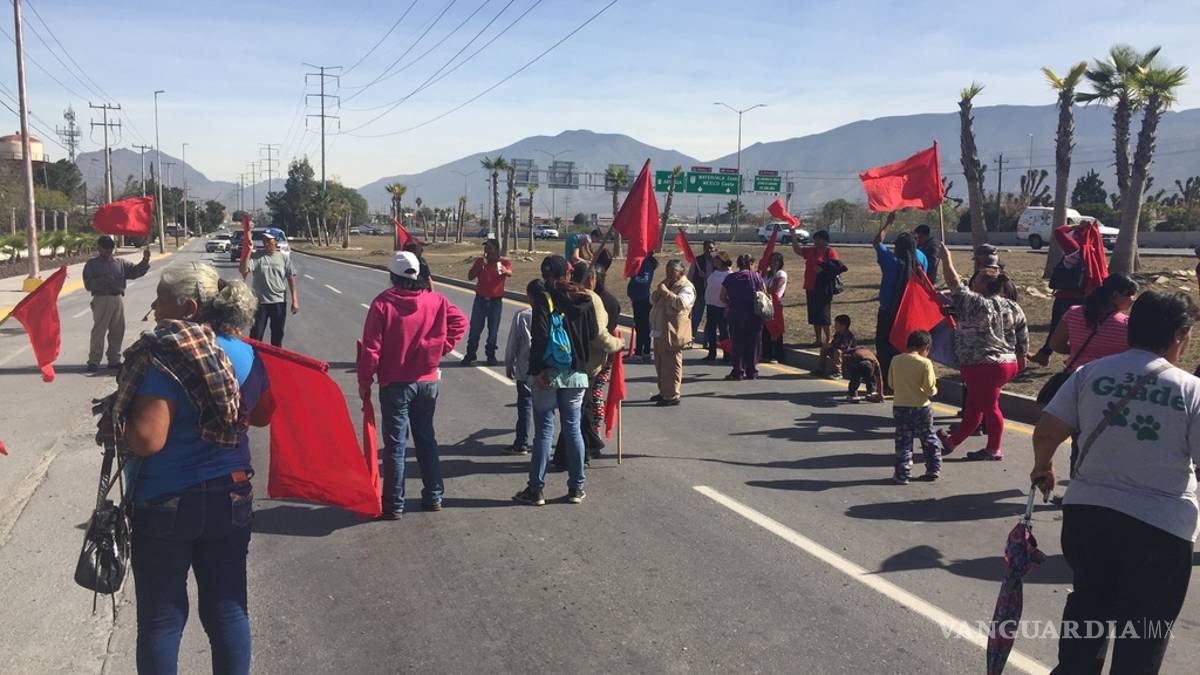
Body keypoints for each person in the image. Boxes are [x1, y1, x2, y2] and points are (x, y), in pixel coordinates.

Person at [1031, 291, 1199, 675]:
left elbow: (1046, 431)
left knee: (1088, 607)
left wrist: (1044, 467)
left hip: (1089, 515)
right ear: (1179, 336)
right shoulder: (1190, 389)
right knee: (1144, 633)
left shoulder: (1090, 373)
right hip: (1161, 526)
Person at [121, 262, 271, 674]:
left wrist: (122, 422)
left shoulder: (162, 356)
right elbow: (263, 415)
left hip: (165, 501)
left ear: (188, 307)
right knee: (227, 611)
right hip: (231, 497)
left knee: (162, 620)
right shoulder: (243, 352)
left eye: (160, 299)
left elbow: (149, 440)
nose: (153, 306)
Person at [358, 251, 467, 519]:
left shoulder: (383, 303)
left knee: (395, 446)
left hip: (394, 383)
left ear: (393, 276)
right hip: (427, 381)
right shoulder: (436, 300)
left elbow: (371, 349)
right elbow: (460, 322)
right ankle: (434, 495)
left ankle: (394, 503)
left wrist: (365, 382)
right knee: (426, 439)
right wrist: (440, 348)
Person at [514, 255, 598, 506]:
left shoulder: (544, 299)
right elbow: (593, 334)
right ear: (568, 274)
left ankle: (536, 489)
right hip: (576, 374)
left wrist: (536, 370)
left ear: (544, 275)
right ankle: (576, 487)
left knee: (544, 433)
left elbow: (539, 337)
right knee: (573, 429)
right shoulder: (585, 299)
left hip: (547, 373)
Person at [936, 242, 1028, 461]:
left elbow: (954, 283)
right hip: (1007, 362)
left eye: (976, 279)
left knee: (990, 407)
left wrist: (946, 258)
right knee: (974, 406)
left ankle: (994, 449)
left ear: (984, 285)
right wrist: (1022, 356)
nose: (972, 281)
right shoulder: (1011, 305)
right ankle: (952, 441)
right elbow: (1022, 331)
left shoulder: (975, 302)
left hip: (982, 364)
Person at [1047, 273, 1138, 477]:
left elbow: (1055, 344)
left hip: (1076, 381)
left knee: (1079, 437)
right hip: (1109, 387)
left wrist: (1078, 352)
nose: (1133, 300)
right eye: (1131, 295)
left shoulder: (1074, 313)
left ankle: (1076, 483)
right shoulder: (1126, 325)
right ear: (1116, 295)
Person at [553, 262, 623, 466]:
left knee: (576, 410)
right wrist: (618, 344)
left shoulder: (561, 294)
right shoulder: (591, 299)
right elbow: (599, 335)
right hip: (587, 362)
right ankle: (579, 454)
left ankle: (574, 453)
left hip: (562, 360)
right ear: (591, 279)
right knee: (579, 412)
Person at [1029, 219, 1107, 365]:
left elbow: (1059, 232)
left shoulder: (1076, 250)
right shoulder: (1095, 251)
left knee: (1058, 327)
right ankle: (1047, 354)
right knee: (1082, 329)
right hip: (1086, 296)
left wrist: (1075, 226)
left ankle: (1049, 354)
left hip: (1067, 296)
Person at [872, 214, 929, 383]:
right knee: (905, 348)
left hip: (888, 311)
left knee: (884, 348)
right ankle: (904, 382)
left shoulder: (891, 259)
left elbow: (877, 242)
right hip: (909, 311)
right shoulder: (921, 258)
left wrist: (888, 223)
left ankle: (885, 383)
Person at [82, 235, 151, 371]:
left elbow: (136, 272)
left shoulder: (120, 263)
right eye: (105, 248)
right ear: (99, 248)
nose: (108, 251)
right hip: (101, 299)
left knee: (117, 330)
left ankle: (114, 360)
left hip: (117, 298)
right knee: (99, 331)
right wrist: (102, 281)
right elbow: (88, 284)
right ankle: (94, 361)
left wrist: (145, 260)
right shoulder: (92, 265)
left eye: (111, 248)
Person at [888, 330, 943, 484]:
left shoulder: (895, 360)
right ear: (925, 347)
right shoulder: (925, 363)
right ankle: (933, 468)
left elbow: (891, 384)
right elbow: (930, 389)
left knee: (903, 441)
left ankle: (902, 473)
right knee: (928, 439)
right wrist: (934, 390)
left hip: (900, 406)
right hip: (921, 407)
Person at [649, 259, 696, 406]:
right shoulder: (667, 284)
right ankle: (664, 391)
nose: (668, 274)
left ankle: (672, 395)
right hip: (660, 329)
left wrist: (667, 293)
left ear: (681, 273)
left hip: (673, 332)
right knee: (661, 364)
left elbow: (682, 304)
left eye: (672, 272)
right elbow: (652, 300)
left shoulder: (686, 287)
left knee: (672, 364)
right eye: (667, 271)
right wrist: (658, 292)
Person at [240, 231, 298, 347]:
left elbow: (291, 278)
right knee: (256, 335)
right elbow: (243, 269)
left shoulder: (283, 258)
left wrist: (295, 300)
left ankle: (274, 360)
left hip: (278, 301)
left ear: (276, 241)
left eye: (269, 240)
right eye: (264, 240)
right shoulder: (257, 256)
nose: (266, 243)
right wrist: (249, 251)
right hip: (260, 303)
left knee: (277, 334)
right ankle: (255, 360)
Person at [463, 239, 512, 366]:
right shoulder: (480, 262)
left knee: (493, 330)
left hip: (495, 301)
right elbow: (470, 276)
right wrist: (479, 267)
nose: (486, 251)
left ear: (496, 250)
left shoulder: (502, 262)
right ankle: (470, 353)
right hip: (480, 300)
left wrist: (504, 270)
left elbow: (509, 272)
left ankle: (491, 355)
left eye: (489, 248)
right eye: (485, 248)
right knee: (475, 328)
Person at [721, 254, 767, 381]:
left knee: (737, 344)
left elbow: (722, 296)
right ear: (750, 264)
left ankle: (738, 371)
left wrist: (730, 302)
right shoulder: (756, 277)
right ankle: (752, 371)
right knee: (753, 344)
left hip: (735, 315)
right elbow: (764, 294)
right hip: (754, 315)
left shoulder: (731, 278)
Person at [792, 229, 840, 347]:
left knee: (824, 314)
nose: (816, 241)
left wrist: (822, 270)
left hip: (823, 287)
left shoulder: (830, 252)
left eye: (819, 239)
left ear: (825, 240)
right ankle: (818, 339)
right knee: (814, 314)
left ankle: (828, 339)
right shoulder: (811, 251)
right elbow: (797, 250)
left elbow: (836, 267)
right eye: (816, 239)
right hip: (810, 286)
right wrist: (793, 235)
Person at [503, 307, 533, 455]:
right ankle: (543, 443)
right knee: (548, 411)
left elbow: (513, 342)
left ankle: (522, 442)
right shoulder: (558, 311)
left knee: (525, 405)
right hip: (549, 368)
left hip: (525, 368)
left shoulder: (523, 315)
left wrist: (509, 363)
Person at [627, 251, 658, 362]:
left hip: (642, 299)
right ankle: (644, 352)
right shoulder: (642, 262)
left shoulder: (646, 263)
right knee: (643, 326)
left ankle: (641, 352)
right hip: (638, 298)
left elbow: (643, 280)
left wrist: (634, 274)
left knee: (642, 327)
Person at [702, 252, 733, 362]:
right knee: (711, 331)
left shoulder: (729, 274)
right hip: (711, 305)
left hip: (722, 307)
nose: (714, 262)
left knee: (724, 331)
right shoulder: (714, 273)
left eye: (716, 260)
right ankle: (712, 353)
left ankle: (727, 354)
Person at [687, 239, 718, 346]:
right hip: (700, 292)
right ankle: (690, 339)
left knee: (711, 319)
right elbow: (689, 277)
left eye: (711, 248)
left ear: (715, 249)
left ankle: (707, 341)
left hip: (714, 294)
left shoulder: (719, 261)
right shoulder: (697, 261)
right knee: (696, 317)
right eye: (706, 248)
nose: (708, 250)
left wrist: (707, 277)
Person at [761, 252, 790, 363]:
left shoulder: (781, 274)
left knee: (775, 329)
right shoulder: (767, 274)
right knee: (766, 330)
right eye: (772, 260)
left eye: (776, 261)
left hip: (775, 303)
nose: (773, 263)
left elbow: (775, 288)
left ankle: (777, 354)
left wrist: (764, 290)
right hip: (765, 302)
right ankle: (766, 353)